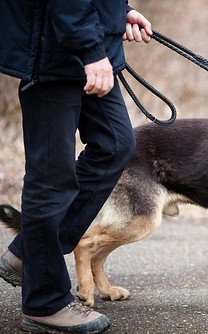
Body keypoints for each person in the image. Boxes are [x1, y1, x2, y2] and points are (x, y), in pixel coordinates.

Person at [0, 1, 152, 333]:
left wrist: (115, 12)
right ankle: (45, 303)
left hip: (89, 39)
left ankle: (28, 253)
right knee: (51, 177)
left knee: (115, 145)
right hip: (56, 48)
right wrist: (89, 48)